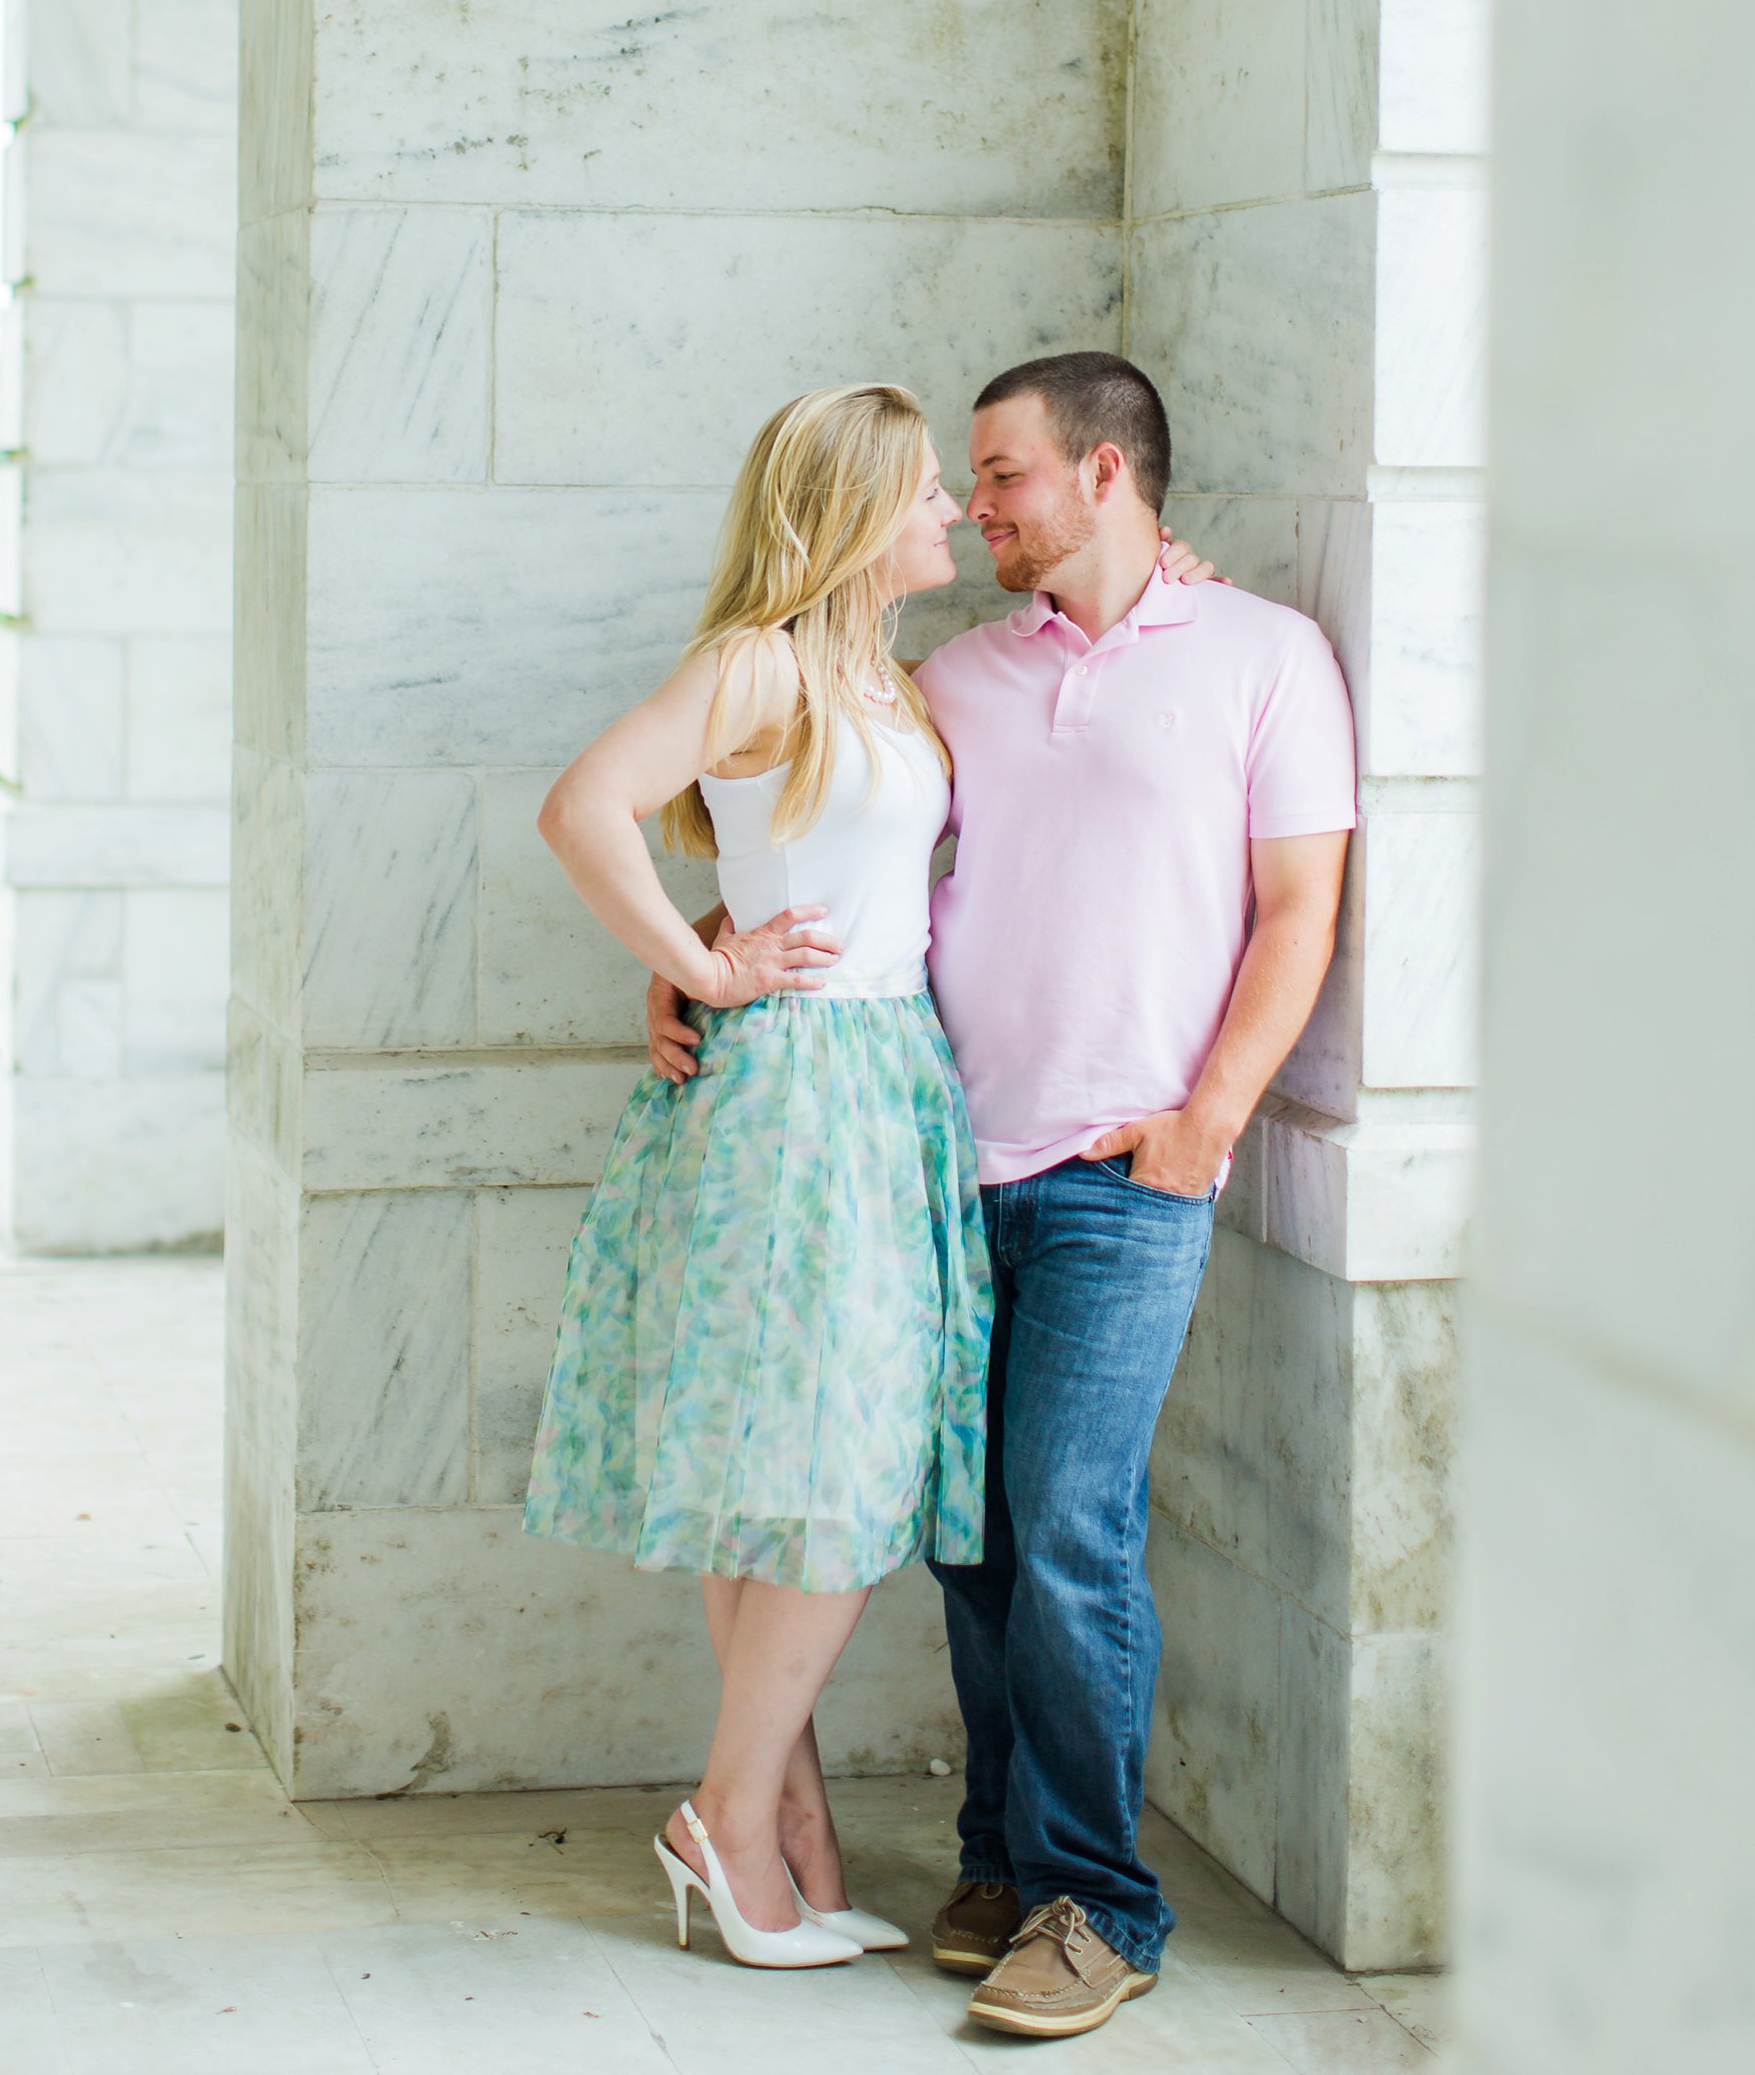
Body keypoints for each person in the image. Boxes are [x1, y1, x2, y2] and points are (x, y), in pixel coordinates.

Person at [650, 352, 1355, 2040]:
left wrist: (1208, 1119)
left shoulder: (1267, 655)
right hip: (937, 1159)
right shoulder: (950, 676)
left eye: (1007, 473)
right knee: (975, 1541)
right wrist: (693, 970)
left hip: (1127, 1172)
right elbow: (831, 842)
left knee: (1074, 1532)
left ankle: (1095, 1900)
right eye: (960, 480)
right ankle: (998, 1857)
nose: (976, 506)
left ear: (1108, 472)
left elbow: (1299, 911)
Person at [523, 383, 992, 1972]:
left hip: (883, 1079)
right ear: (854, 508)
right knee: (828, 1471)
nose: (953, 514)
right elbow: (581, 806)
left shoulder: (887, 677)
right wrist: (699, 966)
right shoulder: (761, 662)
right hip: (794, 1092)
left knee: (792, 1465)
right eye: (928, 491)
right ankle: (729, 1819)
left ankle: (783, 1828)